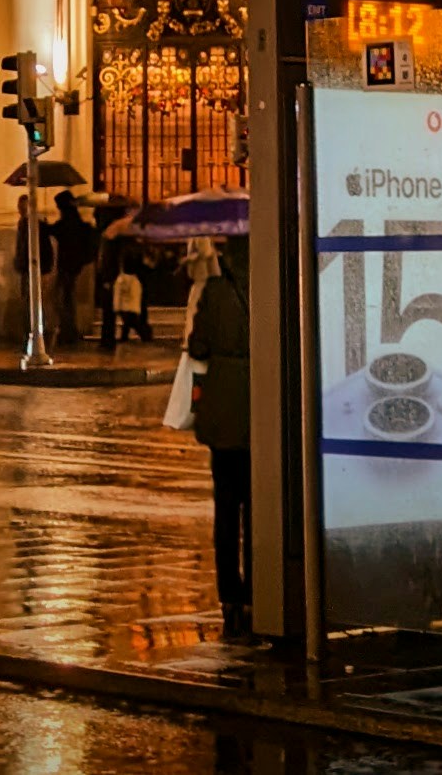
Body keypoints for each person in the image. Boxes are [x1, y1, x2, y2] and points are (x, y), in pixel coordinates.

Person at [192, 236, 253, 634]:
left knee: (226, 509)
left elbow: (198, 346)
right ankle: (261, 588)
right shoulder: (273, 285)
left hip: (222, 412)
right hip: (262, 409)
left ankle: (230, 592)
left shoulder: (213, 291)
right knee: (261, 508)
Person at [50, 190, 99, 345]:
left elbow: (59, 230)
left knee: (64, 299)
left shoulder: (68, 221)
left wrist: (42, 225)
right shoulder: (74, 219)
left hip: (68, 266)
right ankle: (69, 330)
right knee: (65, 299)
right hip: (72, 266)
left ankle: (68, 331)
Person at [108, 259, 152, 346]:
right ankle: (142, 336)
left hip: (126, 305)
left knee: (130, 322)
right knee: (130, 322)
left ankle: (143, 336)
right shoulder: (134, 280)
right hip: (130, 305)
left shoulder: (124, 279)